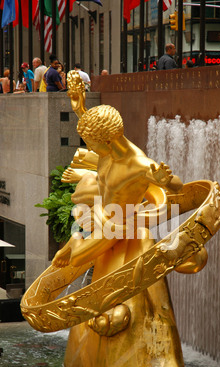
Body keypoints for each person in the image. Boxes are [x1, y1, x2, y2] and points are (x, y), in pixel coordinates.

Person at [52, 73, 183, 268]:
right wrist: (79, 108)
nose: (89, 149)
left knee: (77, 259)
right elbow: (93, 124)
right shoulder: (108, 147)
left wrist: (165, 181)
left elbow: (178, 187)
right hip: (101, 204)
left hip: (114, 225)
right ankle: (90, 209)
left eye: (91, 144)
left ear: (107, 141)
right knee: (81, 191)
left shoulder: (138, 164)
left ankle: (75, 241)